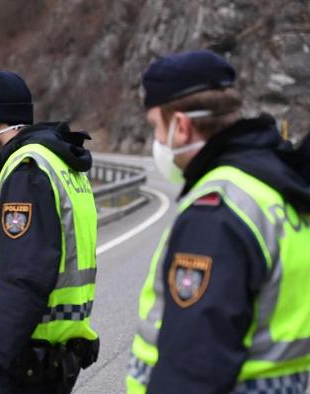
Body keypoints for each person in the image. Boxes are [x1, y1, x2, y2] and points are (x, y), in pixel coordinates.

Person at [126, 50, 310, 393]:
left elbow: (192, 367)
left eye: (155, 126)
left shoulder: (218, 210)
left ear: (180, 126)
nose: (156, 141)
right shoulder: (275, 186)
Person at [0, 71, 100, 394]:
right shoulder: (60, 162)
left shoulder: (28, 172)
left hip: (27, 360)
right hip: (55, 353)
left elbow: (23, 278)